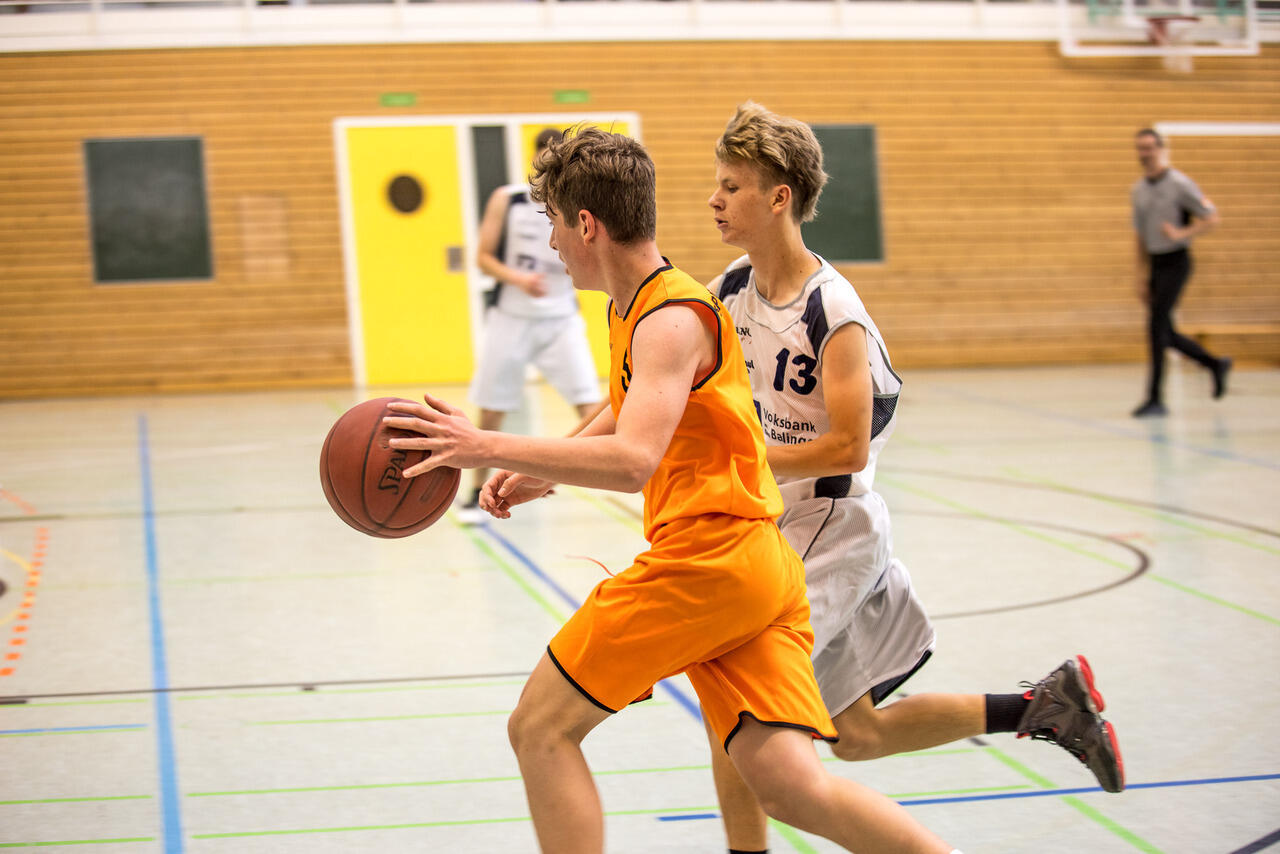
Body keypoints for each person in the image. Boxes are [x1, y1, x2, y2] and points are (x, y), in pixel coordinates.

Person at [383, 125, 961, 854]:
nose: (552, 243)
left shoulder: (669, 318)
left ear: (586, 225)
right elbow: (633, 409)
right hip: (757, 569)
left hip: (705, 564)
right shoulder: (641, 303)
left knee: (539, 727)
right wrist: (546, 466)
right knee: (792, 788)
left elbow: (633, 460)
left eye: (555, 224)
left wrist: (483, 444)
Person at [704, 102, 1125, 853]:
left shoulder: (833, 310)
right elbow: (656, 380)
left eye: (731, 186)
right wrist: (547, 459)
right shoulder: (732, 285)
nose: (714, 199)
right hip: (781, 524)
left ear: (778, 198)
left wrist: (745, 456)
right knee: (857, 735)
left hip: (831, 531)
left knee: (738, 709)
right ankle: (1046, 706)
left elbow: (847, 446)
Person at [461, 127, 603, 520]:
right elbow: (483, 257)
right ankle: (475, 492)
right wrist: (519, 279)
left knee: (590, 405)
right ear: (537, 157)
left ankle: (603, 474)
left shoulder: (580, 205)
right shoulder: (507, 199)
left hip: (560, 319)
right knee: (492, 408)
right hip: (512, 317)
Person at [1130, 127, 1231, 418]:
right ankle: (1214, 364)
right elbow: (1139, 236)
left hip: (1176, 261)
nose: (1144, 154)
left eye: (1149, 148)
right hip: (1155, 264)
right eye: (1140, 148)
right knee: (1164, 331)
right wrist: (1140, 276)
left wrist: (1181, 233)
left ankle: (1155, 398)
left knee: (1156, 329)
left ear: (1160, 149)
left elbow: (1212, 218)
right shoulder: (1138, 190)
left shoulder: (1180, 184)